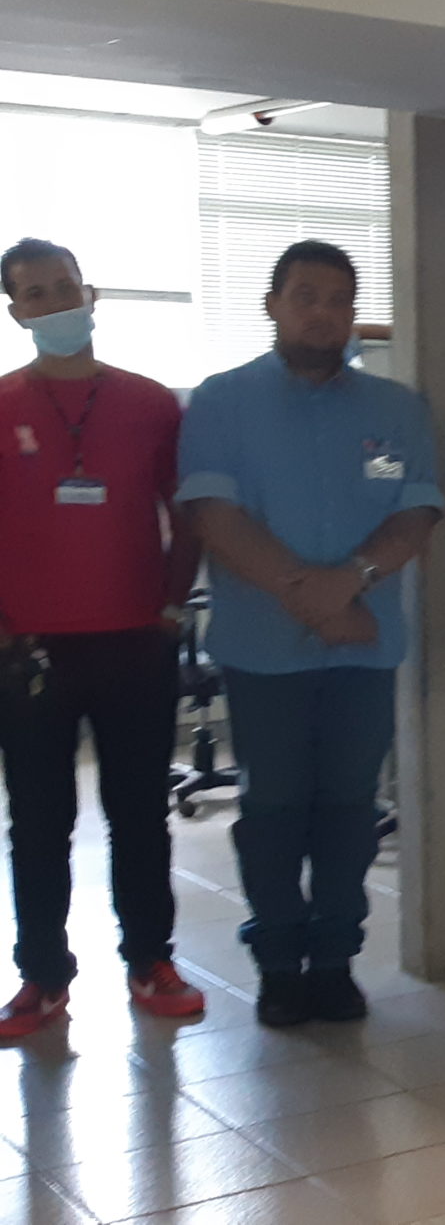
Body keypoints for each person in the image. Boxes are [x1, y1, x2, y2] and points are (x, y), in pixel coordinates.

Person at [177, 239, 444, 1027]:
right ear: (273, 305)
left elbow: (417, 512)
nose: (323, 313)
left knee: (349, 811)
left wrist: (349, 583)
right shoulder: (222, 401)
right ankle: (277, 962)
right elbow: (214, 516)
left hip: (364, 647)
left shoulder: (396, 409)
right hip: (264, 651)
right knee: (273, 811)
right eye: (305, 297)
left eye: (338, 299)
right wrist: (318, 598)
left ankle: (332, 961)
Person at [0, 238, 204, 1039]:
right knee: (37, 824)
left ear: (91, 294)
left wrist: (172, 607)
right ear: (16, 313)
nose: (56, 303)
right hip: (30, 651)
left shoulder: (151, 404)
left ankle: (151, 960)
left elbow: (188, 513)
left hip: (136, 641)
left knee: (140, 815)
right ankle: (43, 976)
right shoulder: (2, 405)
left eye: (65, 287)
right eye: (36, 294)